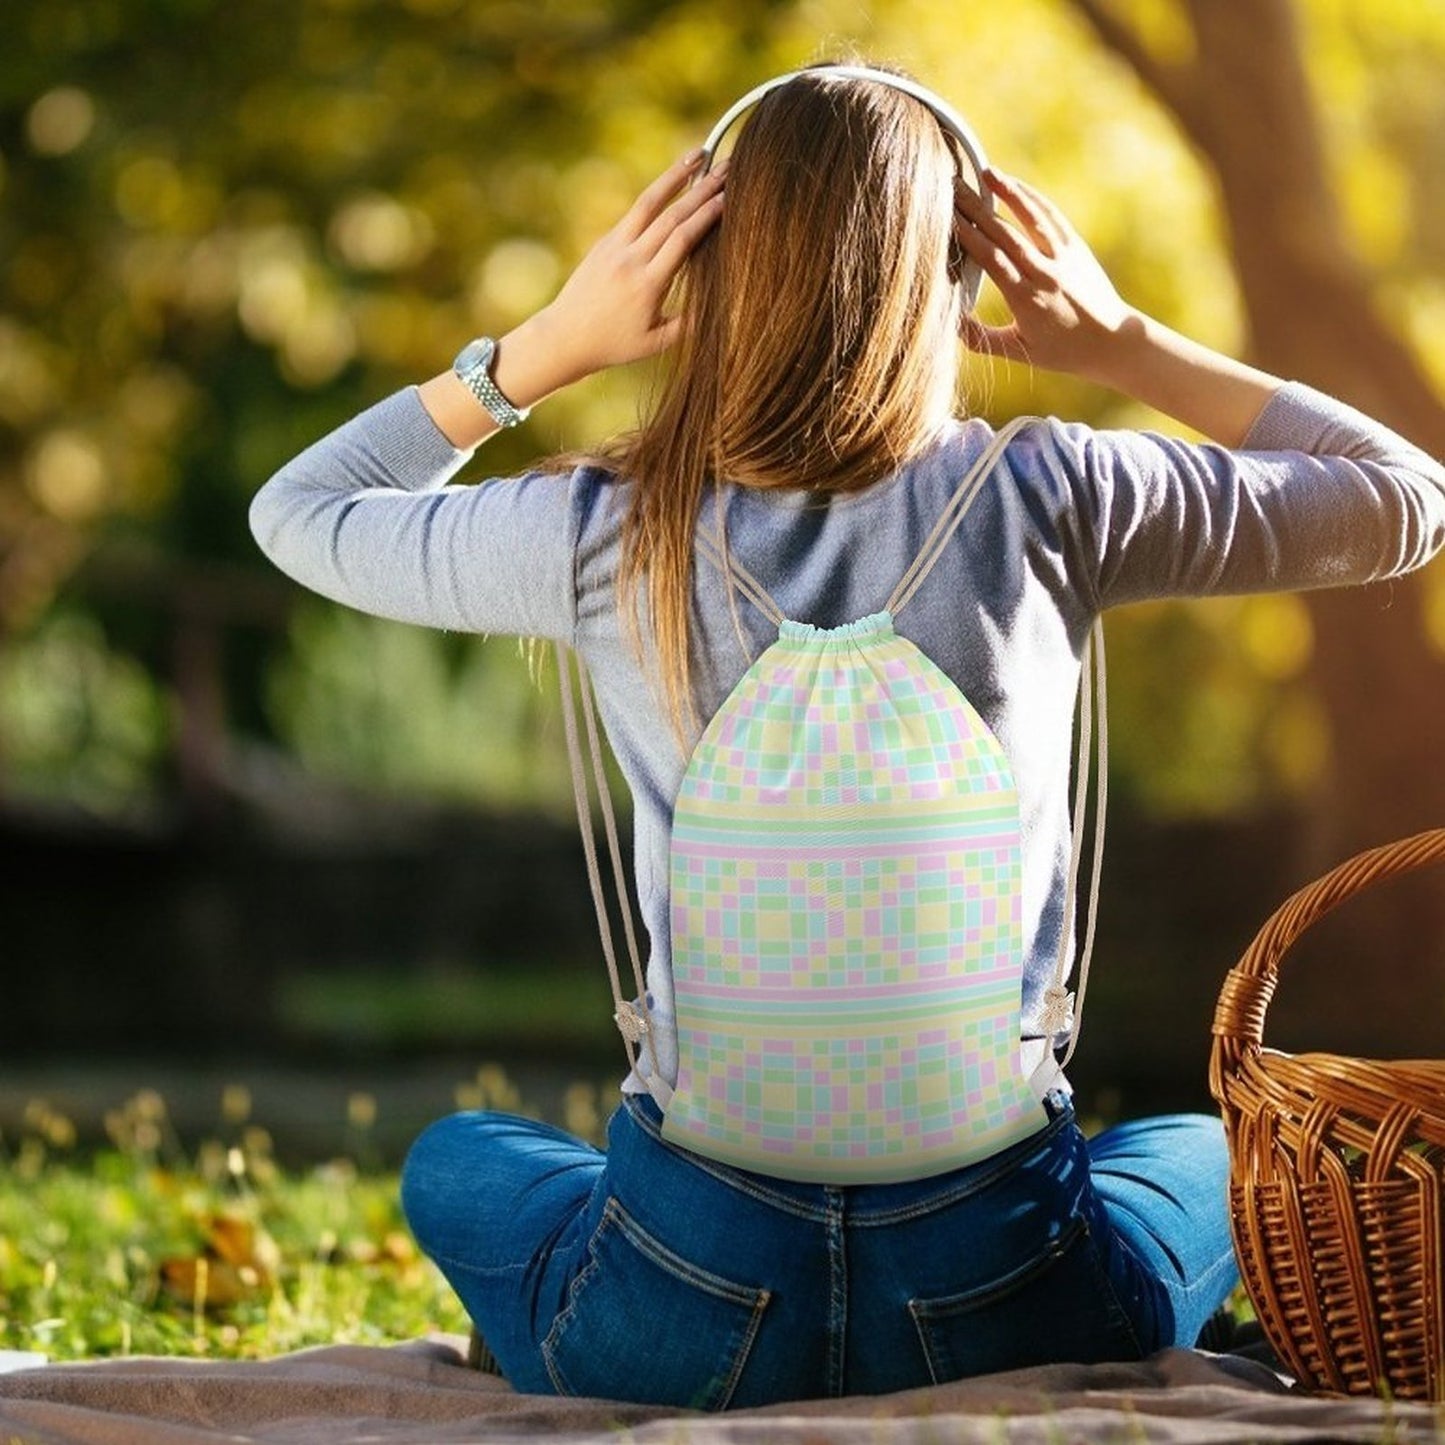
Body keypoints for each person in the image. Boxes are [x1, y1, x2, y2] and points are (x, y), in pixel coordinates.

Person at [250, 65, 1445, 1407]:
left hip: (685, 1306)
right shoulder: (1055, 494)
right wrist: (1122, 343)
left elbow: (299, 513)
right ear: (962, 277)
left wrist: (543, 349)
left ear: (701, 274)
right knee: (1187, 1149)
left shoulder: (599, 528)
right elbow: (1408, 496)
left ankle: (598, 1293)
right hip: (1010, 1303)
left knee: (461, 1156)